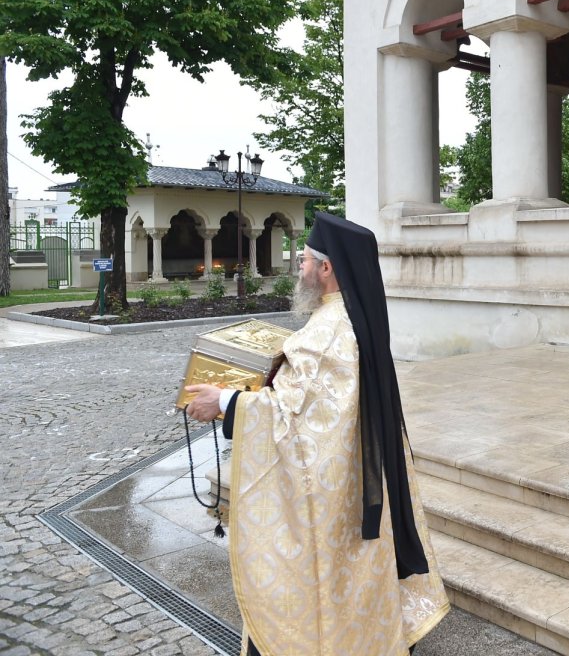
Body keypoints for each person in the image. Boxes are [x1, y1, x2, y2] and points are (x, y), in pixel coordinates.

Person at [185, 213, 448, 656]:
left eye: (305, 260)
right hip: (356, 488)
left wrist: (225, 402)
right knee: (356, 589)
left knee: (326, 596)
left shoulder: (327, 333)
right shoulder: (353, 320)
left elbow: (288, 417)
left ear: (326, 269)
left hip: (331, 505)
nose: (300, 269)